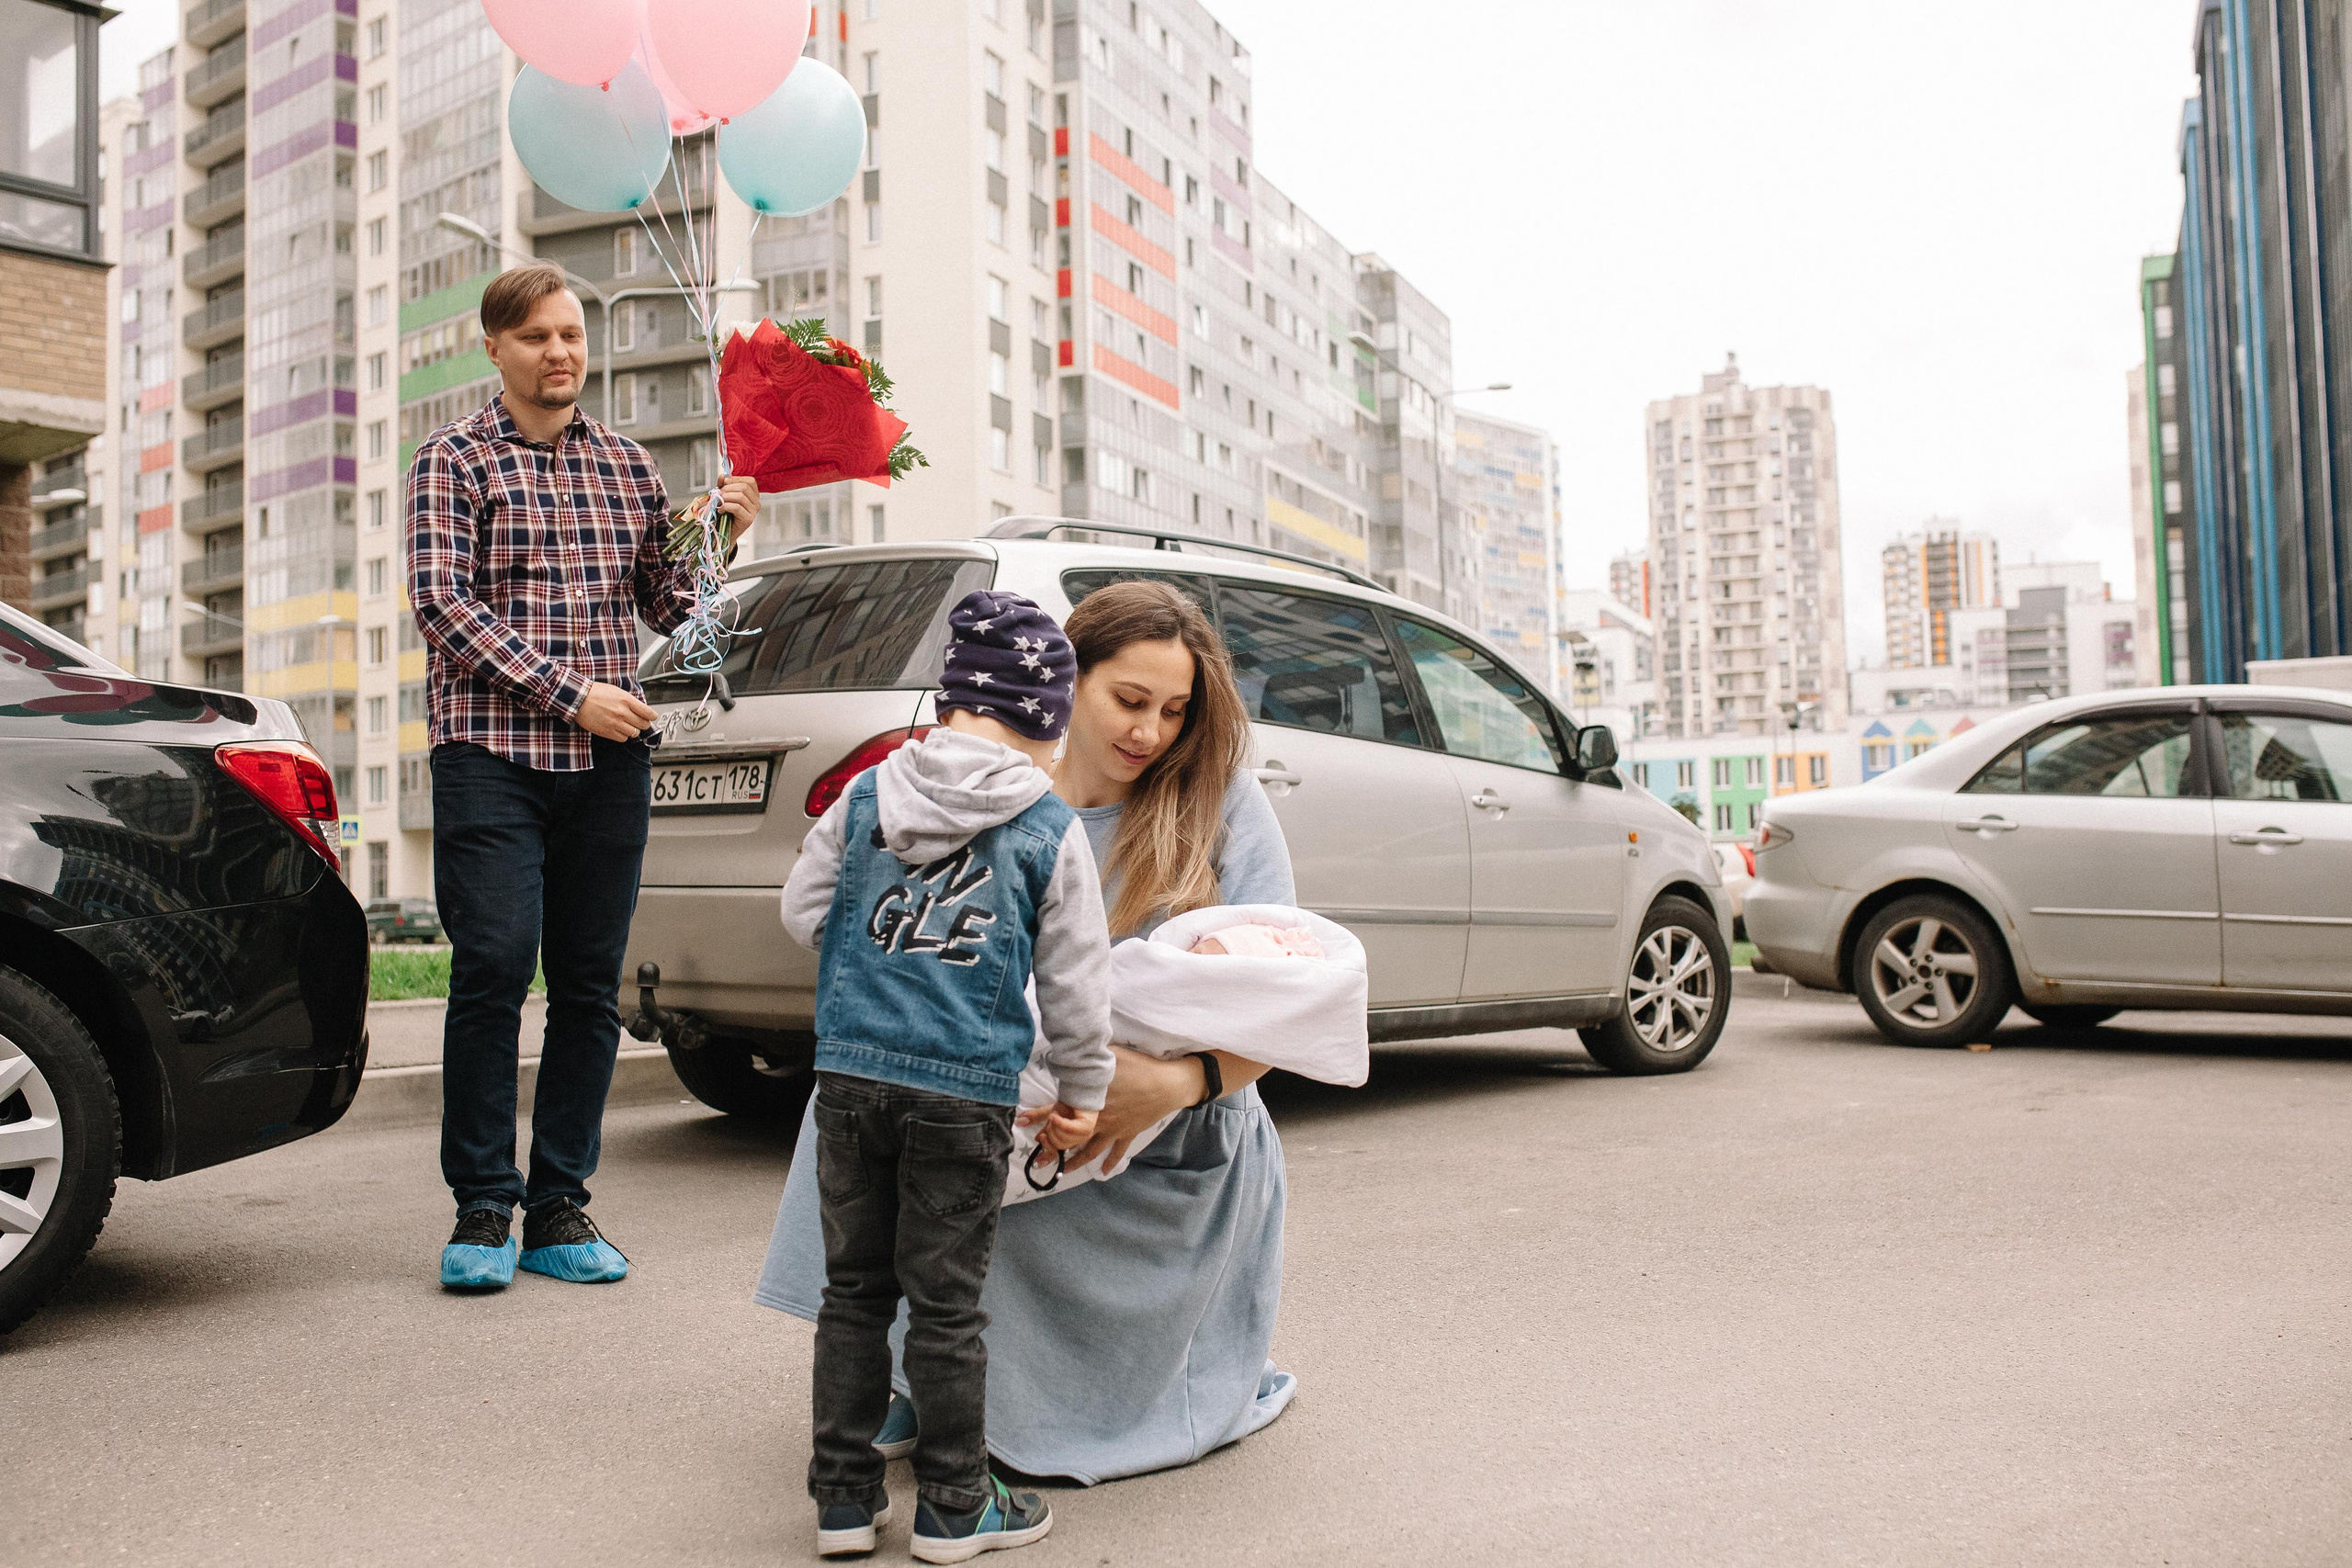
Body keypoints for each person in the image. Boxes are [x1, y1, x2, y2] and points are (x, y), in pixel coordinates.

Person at [758, 578, 1301, 1483]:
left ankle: (961, 1397)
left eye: (1173, 711)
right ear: (1063, 684)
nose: (1150, 732)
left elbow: (1286, 998)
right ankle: (902, 1367)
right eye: (1129, 700)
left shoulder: (1223, 801)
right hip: (1008, 1090)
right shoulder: (980, 794)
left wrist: (1172, 1084)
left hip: (1179, 1110)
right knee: (871, 1081)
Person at [407, 264, 758, 1291]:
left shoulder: (629, 466)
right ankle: (482, 1206)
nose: (557, 352)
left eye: (570, 334)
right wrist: (571, 696)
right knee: (492, 969)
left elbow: (673, 612)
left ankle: (559, 1207)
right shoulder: (453, 460)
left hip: (608, 765)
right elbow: (442, 605)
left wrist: (721, 539)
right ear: (495, 349)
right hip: (491, 757)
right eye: (534, 338)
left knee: (590, 990)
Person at [781, 590, 1113, 1562]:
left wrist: (879, 957)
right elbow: (1077, 984)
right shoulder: (1048, 828)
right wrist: (1083, 1096)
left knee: (852, 1294)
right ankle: (956, 1504)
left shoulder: (866, 795)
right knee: (948, 1305)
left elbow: (803, 916)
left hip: (848, 1080)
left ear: (952, 701)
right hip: (968, 1098)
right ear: (1045, 721)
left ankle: (843, 1501)